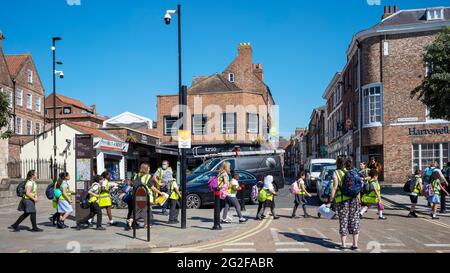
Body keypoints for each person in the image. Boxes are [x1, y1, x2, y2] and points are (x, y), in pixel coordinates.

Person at [327, 156, 360, 250]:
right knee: (354, 220)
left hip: (342, 201)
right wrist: (359, 199)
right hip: (354, 199)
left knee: (343, 221)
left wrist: (330, 201)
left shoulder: (336, 173)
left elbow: (334, 188)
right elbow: (357, 186)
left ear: (338, 163)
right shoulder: (353, 171)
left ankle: (344, 245)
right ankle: (355, 244)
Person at [134, 163, 164, 228]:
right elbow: (152, 187)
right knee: (146, 210)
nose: (149, 169)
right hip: (145, 196)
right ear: (146, 169)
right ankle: (143, 223)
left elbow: (132, 184)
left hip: (137, 195)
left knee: (141, 209)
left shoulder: (136, 175)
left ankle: (141, 222)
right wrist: (160, 192)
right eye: (149, 168)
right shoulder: (148, 176)